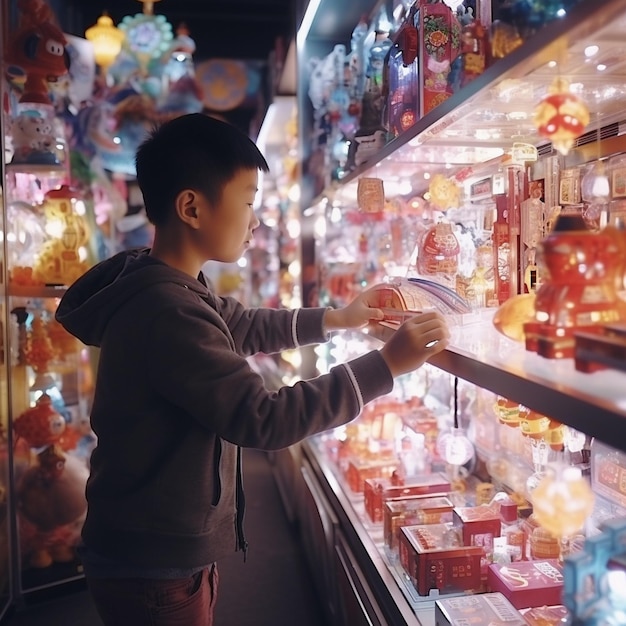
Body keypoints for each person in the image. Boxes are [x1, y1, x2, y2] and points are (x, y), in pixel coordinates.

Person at [55, 112, 449, 626]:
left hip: (156, 546)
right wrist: (385, 366)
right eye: (247, 203)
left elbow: (242, 325)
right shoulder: (167, 309)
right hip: (154, 562)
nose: (256, 221)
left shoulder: (172, 288)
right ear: (192, 207)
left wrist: (340, 318)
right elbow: (262, 419)